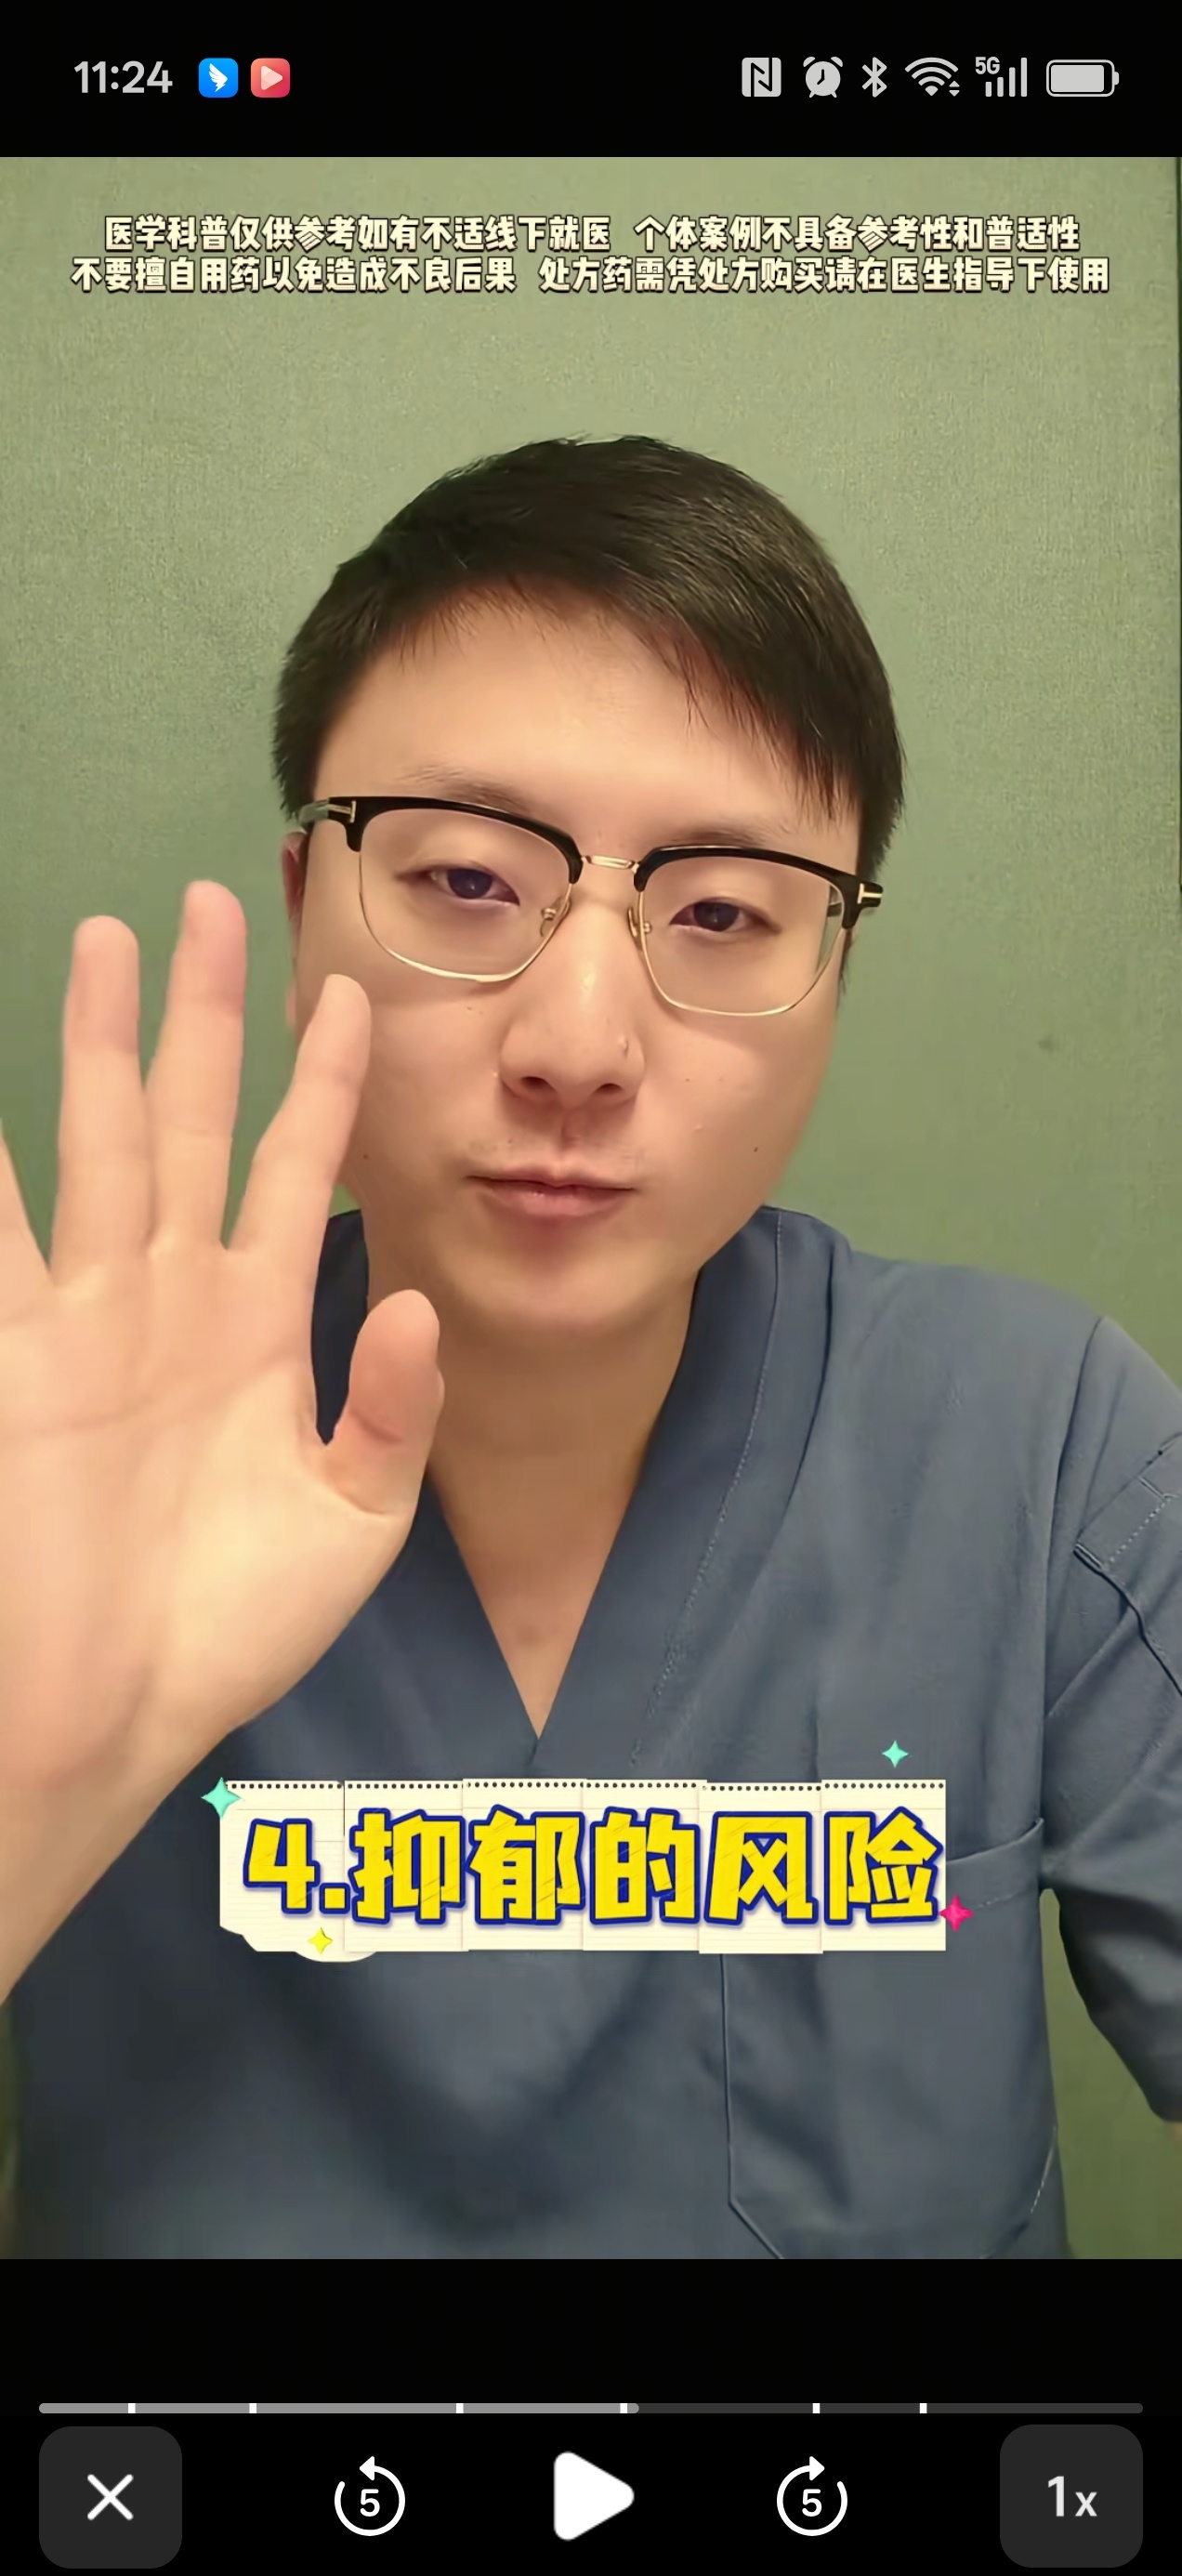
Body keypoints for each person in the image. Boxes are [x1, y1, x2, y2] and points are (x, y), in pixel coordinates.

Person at [2, 435, 1179, 2261]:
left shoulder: (1041, 1451)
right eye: (468, 881)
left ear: (835, 974)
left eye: (722, 914)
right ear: (309, 911)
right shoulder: (54, 1472)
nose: (579, 1045)